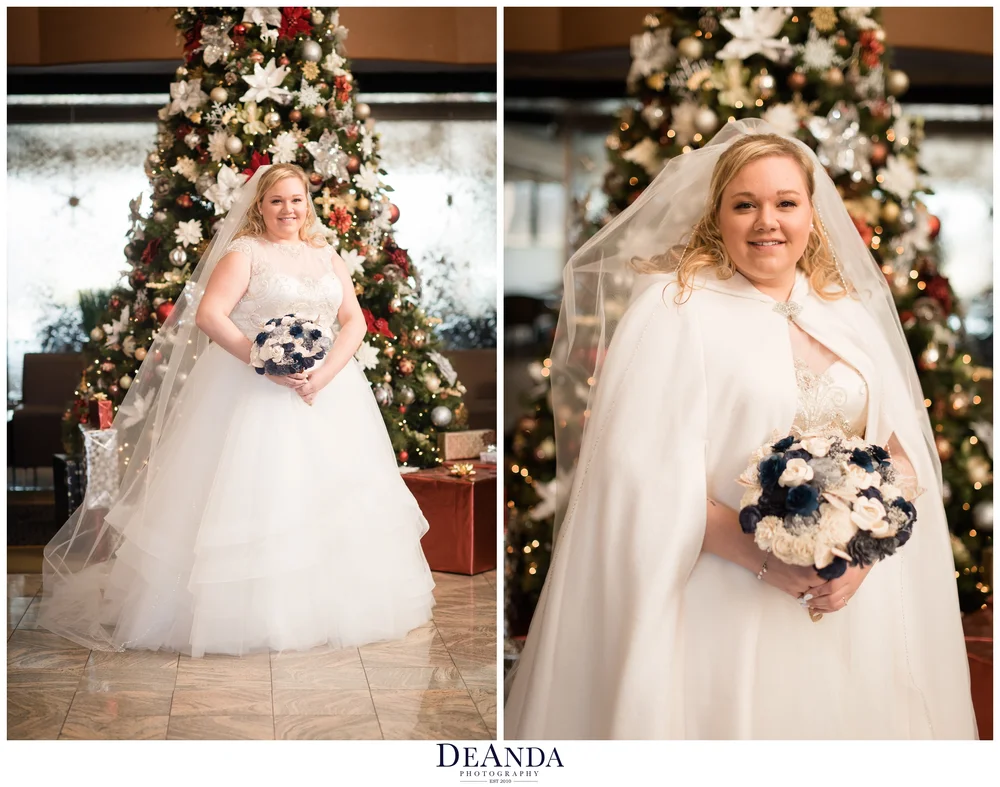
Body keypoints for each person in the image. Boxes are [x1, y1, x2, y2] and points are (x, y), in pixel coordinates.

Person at [504, 120, 977, 739]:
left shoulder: (845, 310)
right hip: (725, 593)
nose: (766, 222)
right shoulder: (675, 310)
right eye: (745, 205)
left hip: (853, 600)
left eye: (786, 203)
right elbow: (641, 477)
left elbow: (900, 451)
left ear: (813, 215)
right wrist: (767, 560)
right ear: (717, 216)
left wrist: (863, 554)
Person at [39, 163, 435, 657]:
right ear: (259, 206)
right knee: (259, 493)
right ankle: (253, 615)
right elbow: (210, 315)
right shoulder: (245, 252)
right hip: (252, 389)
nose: (288, 210)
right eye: (276, 201)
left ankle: (329, 608)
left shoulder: (325, 253)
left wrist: (324, 375)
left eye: (296, 199)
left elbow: (353, 320)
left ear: (307, 203)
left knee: (334, 496)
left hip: (328, 389)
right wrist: (263, 362)